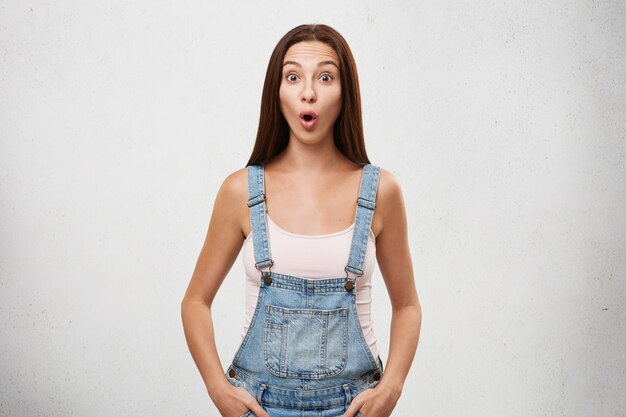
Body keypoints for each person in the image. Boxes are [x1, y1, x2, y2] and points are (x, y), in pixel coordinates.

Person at [181, 23, 422, 417]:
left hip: (354, 408)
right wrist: (217, 388)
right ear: (276, 93)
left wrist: (391, 388)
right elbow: (194, 301)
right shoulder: (240, 191)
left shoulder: (380, 192)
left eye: (325, 77)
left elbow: (408, 305)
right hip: (257, 407)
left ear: (345, 94)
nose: (308, 91)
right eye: (293, 77)